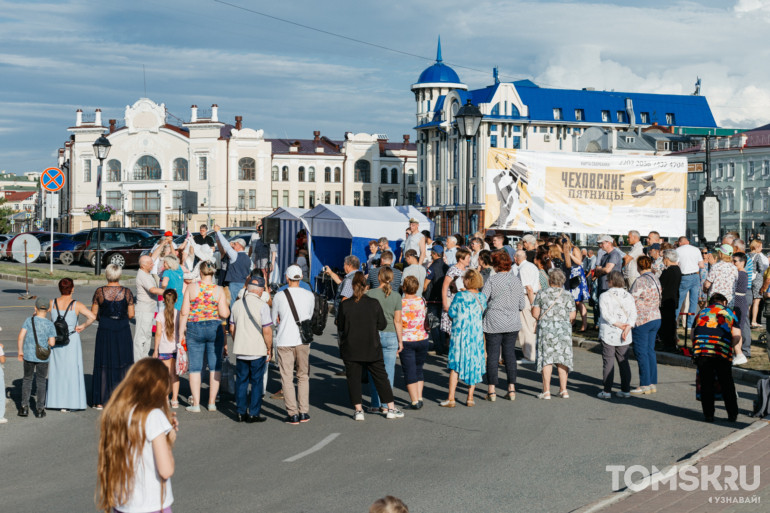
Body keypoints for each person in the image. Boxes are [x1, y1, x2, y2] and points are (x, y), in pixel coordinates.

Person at [96, 358, 178, 513]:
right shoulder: (153, 416)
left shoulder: (118, 413)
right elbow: (166, 470)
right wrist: (168, 440)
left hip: (122, 503)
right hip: (152, 505)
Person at [336, 272, 404, 421]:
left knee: (353, 378)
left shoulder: (345, 305)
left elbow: (340, 325)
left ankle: (358, 410)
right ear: (366, 286)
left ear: (352, 287)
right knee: (381, 377)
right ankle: (391, 408)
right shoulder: (373, 303)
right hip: (371, 346)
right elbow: (382, 324)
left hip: (351, 346)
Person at [180, 261, 230, 413]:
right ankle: (212, 402)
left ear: (200, 273)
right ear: (213, 273)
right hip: (214, 328)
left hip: (195, 327)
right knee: (215, 366)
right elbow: (225, 314)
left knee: (195, 367)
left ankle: (195, 403)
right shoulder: (219, 290)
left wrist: (181, 331)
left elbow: (184, 312)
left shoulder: (191, 287)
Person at [272, 265, 314, 424]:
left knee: (287, 377)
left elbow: (274, 317)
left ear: (287, 278)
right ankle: (304, 411)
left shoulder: (279, 296)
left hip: (284, 339)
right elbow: (309, 315)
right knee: (303, 376)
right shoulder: (309, 295)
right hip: (303, 341)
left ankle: (292, 413)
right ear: (301, 277)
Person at [439, 269, 487, 408]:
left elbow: (452, 312)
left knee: (455, 365)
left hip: (460, 334)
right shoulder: (482, 297)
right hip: (476, 334)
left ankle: (451, 398)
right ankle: (470, 397)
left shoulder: (460, 296)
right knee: (474, 362)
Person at [47, 278, 96, 412]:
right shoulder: (77, 305)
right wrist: (82, 326)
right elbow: (92, 317)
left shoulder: (52, 303)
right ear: (72, 289)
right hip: (71, 339)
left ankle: (55, 400)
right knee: (71, 370)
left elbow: (37, 311)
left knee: (57, 370)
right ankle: (70, 401)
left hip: (56, 339)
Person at [482, 251, 525, 401]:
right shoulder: (516, 281)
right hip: (512, 321)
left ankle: (491, 390)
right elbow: (522, 304)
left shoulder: (492, 280)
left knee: (492, 355)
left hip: (494, 320)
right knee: (510, 355)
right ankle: (511, 388)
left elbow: (483, 300)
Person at [691, 293, 741, 422]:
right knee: (726, 382)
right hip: (720, 349)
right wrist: (729, 346)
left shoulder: (702, 312)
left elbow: (693, 334)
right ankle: (732, 414)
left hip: (702, 349)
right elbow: (737, 336)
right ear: (724, 302)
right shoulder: (729, 312)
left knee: (706, 382)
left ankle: (709, 414)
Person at [230, 275, 273, 423]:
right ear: (260, 290)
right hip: (257, 349)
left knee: (241, 381)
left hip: (241, 349)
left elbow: (231, 327)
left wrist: (237, 341)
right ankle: (254, 412)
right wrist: (269, 348)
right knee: (256, 382)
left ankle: (240, 411)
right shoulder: (263, 306)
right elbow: (267, 330)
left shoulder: (236, 305)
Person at [91, 265, 135, 409]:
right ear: (120, 275)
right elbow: (131, 315)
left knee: (104, 361)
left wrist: (103, 318)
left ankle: (101, 400)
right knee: (123, 361)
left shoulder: (100, 291)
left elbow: (94, 314)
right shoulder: (127, 292)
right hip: (122, 328)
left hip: (105, 327)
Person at [532, 269, 576, 399]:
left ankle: (546, 391)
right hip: (563, 330)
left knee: (547, 359)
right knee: (562, 359)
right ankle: (564, 390)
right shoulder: (568, 295)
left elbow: (535, 313)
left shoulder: (542, 293)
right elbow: (572, 316)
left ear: (550, 280)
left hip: (546, 329)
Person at [365, 267, 403, 413]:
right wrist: (400, 341)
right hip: (391, 334)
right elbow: (397, 321)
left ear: (379, 278)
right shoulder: (396, 296)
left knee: (373, 371)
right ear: (392, 279)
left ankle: (375, 403)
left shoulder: (370, 294)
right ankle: (387, 404)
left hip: (373, 334)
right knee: (388, 372)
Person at [597, 271, 637, 399]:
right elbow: (633, 314)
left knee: (608, 361)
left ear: (611, 281)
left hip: (609, 331)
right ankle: (625, 389)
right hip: (625, 331)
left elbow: (605, 314)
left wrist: (617, 324)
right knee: (623, 361)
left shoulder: (604, 295)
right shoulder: (629, 296)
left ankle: (607, 390)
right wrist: (628, 326)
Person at [17, 297, 57, 417]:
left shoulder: (29, 320)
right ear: (49, 310)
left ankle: (24, 407)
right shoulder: (50, 324)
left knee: (27, 380)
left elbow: (20, 337)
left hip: (28, 355)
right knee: (41, 381)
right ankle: (40, 409)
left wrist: (20, 351)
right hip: (42, 357)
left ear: (35, 308)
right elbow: (52, 343)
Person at [629, 255, 662, 394]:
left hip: (642, 318)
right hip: (655, 316)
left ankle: (644, 384)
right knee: (650, 351)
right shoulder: (655, 278)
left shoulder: (640, 281)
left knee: (641, 351)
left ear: (639, 266)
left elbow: (631, 298)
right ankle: (652, 382)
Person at [399, 276, 429, 409]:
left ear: (404, 287)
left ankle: (414, 401)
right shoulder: (422, 300)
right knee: (418, 369)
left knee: (409, 370)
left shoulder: (400, 302)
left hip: (407, 339)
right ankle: (419, 396)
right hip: (422, 337)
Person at [134, 255, 165, 363]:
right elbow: (152, 289)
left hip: (150, 309)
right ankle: (138, 362)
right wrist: (168, 292)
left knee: (147, 336)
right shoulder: (142, 275)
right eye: (150, 263)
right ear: (143, 265)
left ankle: (144, 359)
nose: (153, 264)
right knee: (140, 338)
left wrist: (162, 243)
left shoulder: (147, 272)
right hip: (144, 310)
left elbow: (152, 255)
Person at [154, 289, 182, 409]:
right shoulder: (179, 313)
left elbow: (158, 334)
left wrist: (155, 350)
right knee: (174, 375)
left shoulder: (160, 315)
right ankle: (175, 399)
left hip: (164, 349)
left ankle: (165, 398)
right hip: (176, 348)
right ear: (176, 300)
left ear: (164, 300)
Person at [213, 225, 251, 307]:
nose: (233, 245)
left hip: (234, 284)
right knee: (242, 305)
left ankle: (232, 320)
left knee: (233, 306)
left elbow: (226, 245)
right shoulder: (248, 258)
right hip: (244, 284)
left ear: (239, 245)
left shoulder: (235, 255)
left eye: (235, 244)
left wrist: (218, 232)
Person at [513, 249, 540, 363]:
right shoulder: (532, 266)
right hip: (534, 295)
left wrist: (533, 303)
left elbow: (528, 287)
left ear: (516, 259)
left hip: (527, 297)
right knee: (531, 326)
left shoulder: (523, 269)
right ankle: (532, 354)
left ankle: (529, 356)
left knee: (525, 328)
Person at [675, 236, 705, 329]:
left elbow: (676, 265)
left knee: (679, 301)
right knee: (693, 301)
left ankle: (675, 322)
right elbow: (701, 265)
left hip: (684, 276)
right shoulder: (696, 249)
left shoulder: (678, 250)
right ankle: (690, 324)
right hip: (695, 276)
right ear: (688, 241)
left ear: (680, 242)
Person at [441, 248, 471, 338]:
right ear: (461, 259)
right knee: (452, 329)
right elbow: (445, 286)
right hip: (452, 302)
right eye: (468, 258)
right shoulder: (453, 270)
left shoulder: (467, 270)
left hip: (463, 303)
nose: (469, 260)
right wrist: (445, 303)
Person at [424, 245, 448, 355]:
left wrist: (423, 293)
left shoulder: (432, 267)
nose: (430, 254)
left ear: (434, 254)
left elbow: (425, 284)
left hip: (433, 298)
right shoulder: (447, 267)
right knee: (442, 323)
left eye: (431, 253)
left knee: (434, 323)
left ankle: (438, 347)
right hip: (443, 298)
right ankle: (442, 345)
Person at [594, 235, 623, 323]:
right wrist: (599, 270)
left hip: (609, 287)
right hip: (603, 285)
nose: (600, 245)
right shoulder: (605, 255)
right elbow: (598, 270)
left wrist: (599, 270)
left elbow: (607, 269)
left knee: (610, 309)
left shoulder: (614, 254)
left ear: (609, 243)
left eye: (602, 243)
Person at [562, 238, 589, 332]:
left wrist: (569, 254)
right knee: (572, 301)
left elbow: (579, 262)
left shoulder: (575, 249)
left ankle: (584, 324)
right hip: (569, 275)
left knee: (579, 301)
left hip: (577, 276)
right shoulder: (563, 250)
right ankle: (572, 322)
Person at [659, 249, 682, 351]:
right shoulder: (678, 269)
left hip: (666, 299)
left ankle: (667, 344)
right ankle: (671, 343)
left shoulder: (667, 271)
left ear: (667, 259)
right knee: (671, 322)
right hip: (673, 298)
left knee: (666, 324)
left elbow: (661, 284)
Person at [732, 252, 751, 362]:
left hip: (739, 303)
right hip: (738, 302)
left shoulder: (742, 274)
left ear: (742, 262)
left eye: (735, 261)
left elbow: (739, 290)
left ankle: (740, 354)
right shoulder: (740, 273)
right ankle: (737, 353)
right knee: (737, 328)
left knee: (737, 328)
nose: (733, 263)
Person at [749, 239, 768, 327]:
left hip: (749, 280)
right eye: (760, 247)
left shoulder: (747, 255)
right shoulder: (758, 256)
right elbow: (761, 268)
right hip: (757, 280)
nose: (762, 248)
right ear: (756, 247)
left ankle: (747, 319)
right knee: (756, 301)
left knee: (749, 302)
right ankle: (753, 321)